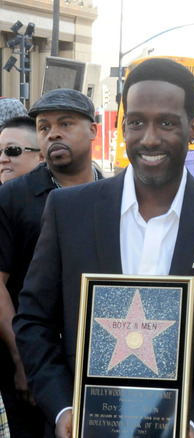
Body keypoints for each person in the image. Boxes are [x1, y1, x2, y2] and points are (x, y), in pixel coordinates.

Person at [13, 58, 194, 438]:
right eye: (136, 122)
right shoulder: (68, 211)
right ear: (122, 126)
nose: (149, 138)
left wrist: (192, 424)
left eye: (166, 123)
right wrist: (63, 409)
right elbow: (34, 322)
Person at [0, 89, 104, 438]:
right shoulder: (13, 196)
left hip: (101, 362)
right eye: (43, 127)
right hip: (36, 366)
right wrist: (21, 359)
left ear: (93, 130)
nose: (52, 133)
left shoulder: (118, 194)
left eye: (65, 123)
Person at [0, 116, 42, 184]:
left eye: (12, 149)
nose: (2, 159)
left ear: (41, 157)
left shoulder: (60, 193)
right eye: (0, 152)